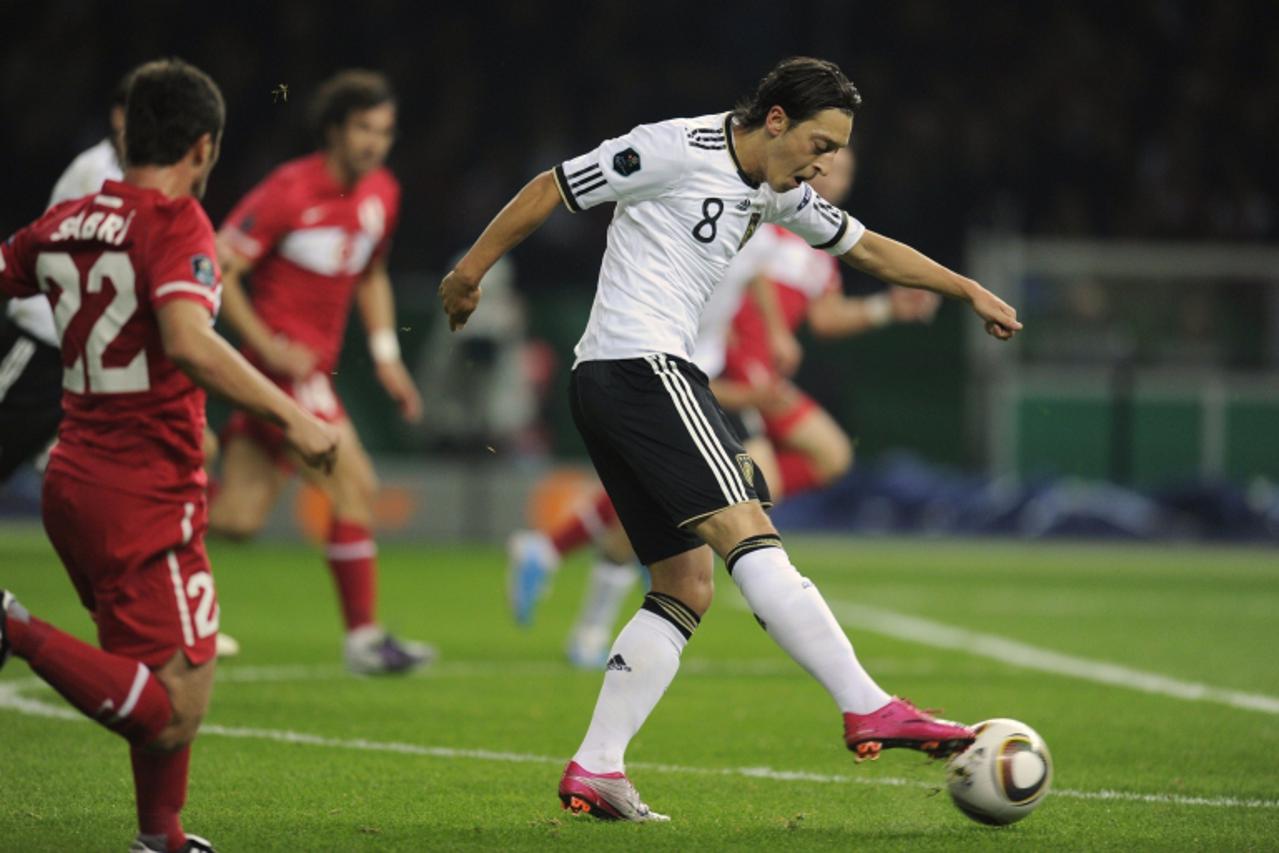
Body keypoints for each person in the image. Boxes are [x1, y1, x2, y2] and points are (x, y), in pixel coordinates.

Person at [442, 56, 1021, 821]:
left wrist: (967, 288)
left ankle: (598, 765)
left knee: (684, 585)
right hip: (642, 366)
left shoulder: (777, 189)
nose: (823, 164)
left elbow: (867, 246)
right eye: (819, 143)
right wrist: (468, 271)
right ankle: (867, 704)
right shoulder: (673, 148)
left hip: (614, 380)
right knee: (751, 527)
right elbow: (553, 185)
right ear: (774, 120)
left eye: (835, 151)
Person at [0, 58, 341, 853]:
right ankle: (11, 627)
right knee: (175, 704)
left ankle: (161, 836)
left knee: (163, 667)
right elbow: (189, 341)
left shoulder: (66, 221)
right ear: (203, 146)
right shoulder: (175, 220)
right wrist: (296, 419)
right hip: (143, 489)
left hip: (75, 478)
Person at [508, 146, 940, 668]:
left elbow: (815, 313)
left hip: (750, 379)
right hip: (711, 374)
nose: (832, 176)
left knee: (780, 475)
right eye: (826, 161)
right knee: (721, 499)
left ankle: (562, 562)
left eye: (845, 169)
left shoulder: (812, 244)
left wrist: (879, 308)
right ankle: (585, 604)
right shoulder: (756, 212)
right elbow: (718, 286)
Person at [0, 69, 242, 659]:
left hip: (102, 354)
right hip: (48, 348)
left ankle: (173, 612)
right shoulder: (116, 185)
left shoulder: (150, 200)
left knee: (179, 459)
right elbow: (80, 252)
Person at [209, 69, 432, 674]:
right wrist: (266, 344)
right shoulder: (288, 189)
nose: (374, 143)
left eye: (384, 131)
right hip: (281, 372)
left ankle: (157, 496)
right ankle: (363, 642)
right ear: (333, 130)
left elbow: (373, 273)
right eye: (363, 128)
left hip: (310, 372)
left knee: (235, 520)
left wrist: (387, 359)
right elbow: (219, 267)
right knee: (354, 484)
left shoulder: (382, 192)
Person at [0, 74, 127, 482]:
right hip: (42, 339)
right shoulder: (95, 173)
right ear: (119, 116)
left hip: (82, 352)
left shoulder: (140, 178)